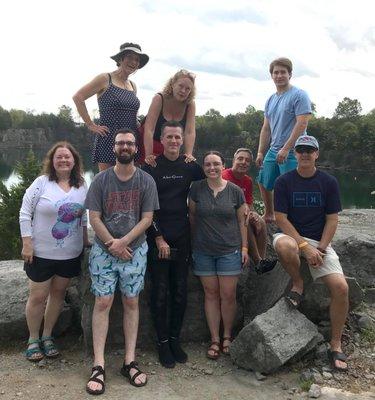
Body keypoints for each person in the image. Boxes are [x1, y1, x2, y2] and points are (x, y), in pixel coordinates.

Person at [84, 128, 159, 395]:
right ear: (113, 148)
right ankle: (99, 364)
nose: (125, 146)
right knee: (103, 302)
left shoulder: (146, 181)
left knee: (131, 301)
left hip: (134, 250)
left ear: (136, 148)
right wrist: (113, 245)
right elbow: (94, 218)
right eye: (120, 143)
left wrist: (124, 242)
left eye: (129, 143)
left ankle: (129, 361)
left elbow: (147, 219)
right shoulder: (101, 180)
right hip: (105, 251)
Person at [273, 135, 349, 372]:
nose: (305, 154)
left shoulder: (328, 182)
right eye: (301, 150)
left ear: (316, 154)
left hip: (320, 241)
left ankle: (335, 343)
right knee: (285, 247)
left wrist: (322, 248)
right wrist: (305, 247)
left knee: (341, 288)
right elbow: (280, 219)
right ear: (295, 154)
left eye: (309, 150)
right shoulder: (285, 181)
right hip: (291, 237)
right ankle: (298, 283)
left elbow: (332, 219)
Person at [143, 121, 205, 368]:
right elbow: (145, 207)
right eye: (169, 137)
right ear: (162, 139)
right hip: (157, 234)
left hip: (182, 235)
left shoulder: (190, 167)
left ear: (182, 140)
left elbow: (214, 181)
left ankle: (175, 339)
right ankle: (162, 343)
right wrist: (158, 237)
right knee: (160, 292)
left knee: (179, 291)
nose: (173, 141)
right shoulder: (151, 167)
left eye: (177, 137)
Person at [19, 142, 88, 362]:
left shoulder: (82, 185)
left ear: (74, 161)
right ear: (52, 160)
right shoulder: (42, 183)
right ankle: (32, 339)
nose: (64, 160)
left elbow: (84, 216)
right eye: (59, 157)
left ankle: (47, 336)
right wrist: (27, 243)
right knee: (38, 296)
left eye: (67, 157)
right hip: (40, 253)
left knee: (58, 295)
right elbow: (24, 212)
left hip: (69, 254)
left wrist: (85, 240)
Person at [188, 151, 249, 360]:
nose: (211, 168)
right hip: (203, 250)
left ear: (224, 166)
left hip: (229, 250)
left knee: (228, 295)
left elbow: (242, 222)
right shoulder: (196, 189)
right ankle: (214, 339)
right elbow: (193, 217)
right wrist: (192, 244)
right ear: (203, 167)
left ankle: (227, 336)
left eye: (216, 164)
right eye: (207, 164)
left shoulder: (234, 191)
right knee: (210, 294)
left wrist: (244, 248)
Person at [73, 42, 149, 171]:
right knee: (107, 182)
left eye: (137, 59)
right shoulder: (105, 78)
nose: (133, 62)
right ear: (120, 59)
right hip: (109, 138)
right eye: (130, 57)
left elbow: (132, 113)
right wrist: (91, 125)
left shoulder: (133, 85)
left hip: (131, 139)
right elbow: (78, 97)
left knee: (132, 182)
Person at [256, 57, 312, 223]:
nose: (279, 75)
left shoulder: (299, 95)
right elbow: (266, 128)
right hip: (274, 149)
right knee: (263, 180)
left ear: (290, 74)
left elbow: (302, 123)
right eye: (276, 72)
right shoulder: (271, 100)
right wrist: (260, 151)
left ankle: (294, 220)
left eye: (283, 72)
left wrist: (287, 148)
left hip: (295, 150)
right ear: (272, 75)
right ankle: (269, 213)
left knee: (292, 187)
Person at [222, 148, 277, 274]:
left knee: (260, 221)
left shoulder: (247, 180)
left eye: (247, 160)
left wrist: (255, 216)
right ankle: (258, 261)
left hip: (242, 213)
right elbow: (228, 205)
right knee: (245, 220)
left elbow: (249, 203)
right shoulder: (225, 177)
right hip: (226, 216)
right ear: (234, 160)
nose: (243, 162)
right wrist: (248, 214)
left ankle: (261, 260)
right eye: (240, 159)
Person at [142, 69, 196, 166]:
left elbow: (189, 132)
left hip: (171, 147)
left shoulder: (190, 104)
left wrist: (188, 154)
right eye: (180, 86)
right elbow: (149, 129)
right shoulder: (159, 98)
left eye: (188, 89)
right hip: (148, 143)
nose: (183, 91)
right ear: (172, 84)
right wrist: (148, 155)